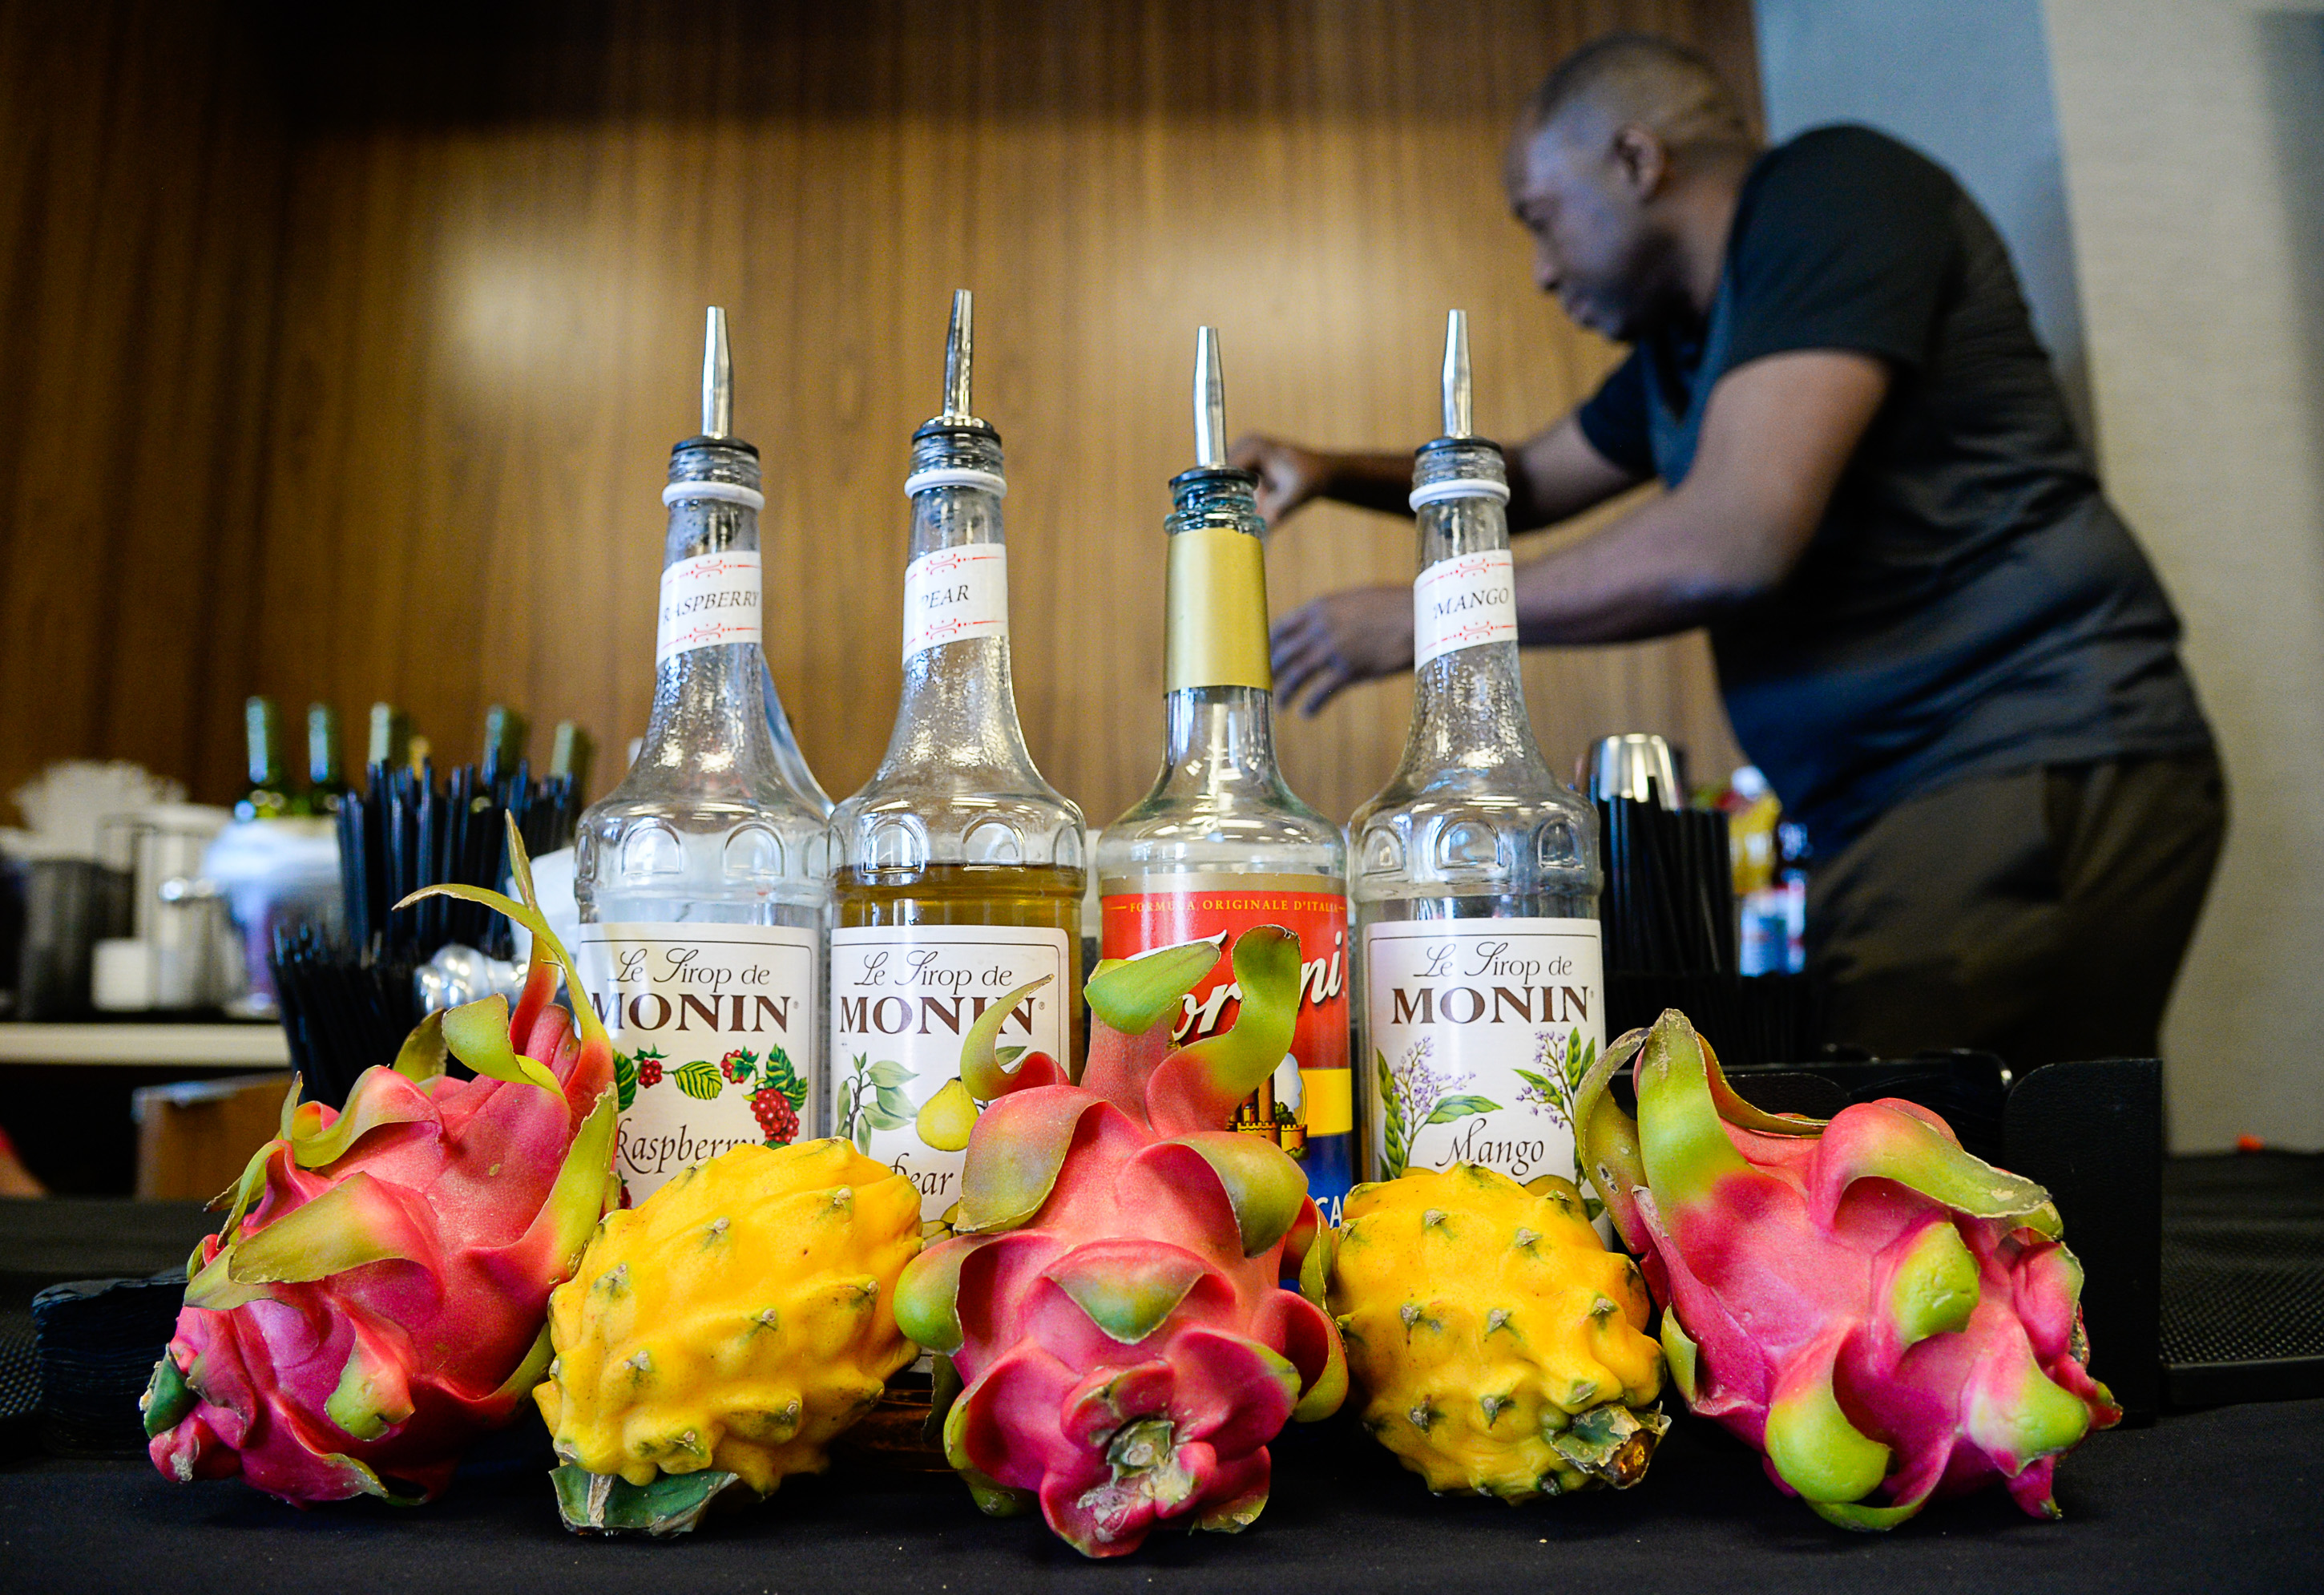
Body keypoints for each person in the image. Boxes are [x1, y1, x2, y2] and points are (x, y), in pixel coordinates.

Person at [1237, 34, 2223, 1068]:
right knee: (1928, 1165)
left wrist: (1428, 613)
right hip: (1910, 792)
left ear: (1636, 159)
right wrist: (1330, 465)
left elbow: (1733, 537)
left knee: (1921, 1169)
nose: (1538, 269)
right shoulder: (1688, 345)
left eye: (1541, 217)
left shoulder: (1836, 192)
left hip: (2022, 752)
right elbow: (1522, 479)